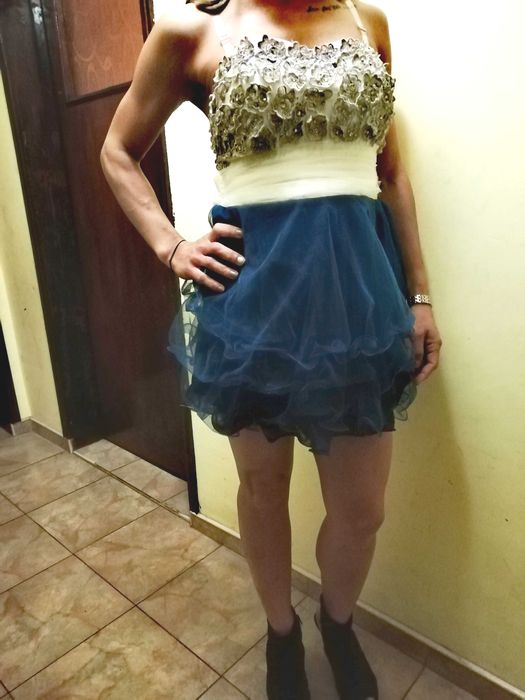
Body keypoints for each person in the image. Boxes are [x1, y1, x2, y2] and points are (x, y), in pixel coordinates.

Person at [100, 0, 442, 697]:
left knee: (361, 509)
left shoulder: (367, 23)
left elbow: (390, 173)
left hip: (359, 299)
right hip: (255, 298)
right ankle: (281, 632)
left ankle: (337, 623)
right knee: (263, 489)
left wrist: (420, 294)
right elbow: (117, 151)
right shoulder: (191, 30)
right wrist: (171, 245)